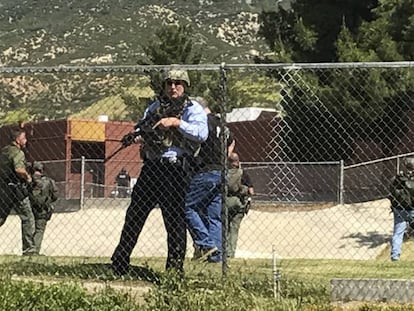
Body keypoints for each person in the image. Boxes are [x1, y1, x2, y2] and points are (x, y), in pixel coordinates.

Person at [111, 69, 208, 275]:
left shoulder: (193, 109)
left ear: (185, 85)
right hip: (152, 168)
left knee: (174, 220)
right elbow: (145, 131)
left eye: (178, 83)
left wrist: (176, 122)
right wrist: (136, 137)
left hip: (175, 169)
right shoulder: (154, 108)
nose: (173, 87)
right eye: (169, 83)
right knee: (135, 215)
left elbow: (201, 134)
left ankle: (174, 270)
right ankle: (120, 262)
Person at [185, 97, 235, 263]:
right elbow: (232, 141)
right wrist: (225, 157)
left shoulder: (202, 122)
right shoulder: (221, 124)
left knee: (187, 206)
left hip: (205, 170)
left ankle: (205, 243)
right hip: (222, 171)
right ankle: (217, 255)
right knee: (215, 215)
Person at [0, 128, 36, 255]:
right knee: (28, 217)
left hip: (3, 189)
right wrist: (28, 177)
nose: (26, 141)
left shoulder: (4, 151)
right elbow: (19, 169)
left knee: (1, 217)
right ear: (17, 139)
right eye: (24, 138)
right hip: (16, 190)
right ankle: (29, 249)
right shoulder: (18, 153)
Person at [226, 152, 254, 258]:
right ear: (238, 161)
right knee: (234, 228)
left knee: (225, 227)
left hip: (226, 203)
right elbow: (251, 191)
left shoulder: (224, 173)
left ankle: (222, 250)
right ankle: (231, 252)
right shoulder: (243, 173)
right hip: (239, 203)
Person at [29, 161, 58, 255]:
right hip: (43, 209)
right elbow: (55, 195)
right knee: (39, 230)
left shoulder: (28, 180)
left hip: (29, 208)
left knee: (28, 229)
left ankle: (28, 249)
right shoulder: (49, 181)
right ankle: (35, 250)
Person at [389, 156, 414, 261]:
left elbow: (391, 191)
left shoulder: (397, 178)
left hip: (399, 209)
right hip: (412, 209)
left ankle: (395, 256)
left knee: (397, 233)